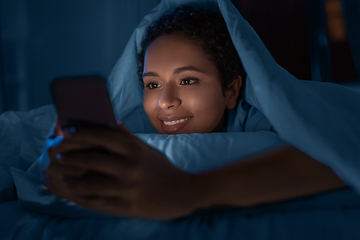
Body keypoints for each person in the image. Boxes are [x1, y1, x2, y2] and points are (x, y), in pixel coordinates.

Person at [45, 5, 345, 220]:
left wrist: (188, 190)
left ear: (230, 90)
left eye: (187, 80)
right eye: (152, 84)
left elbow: (340, 150)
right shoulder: (135, 125)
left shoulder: (264, 120)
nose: (164, 101)